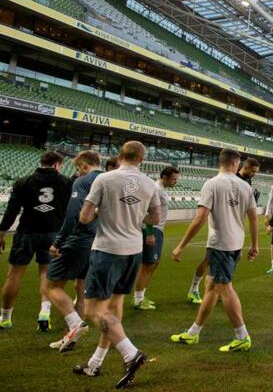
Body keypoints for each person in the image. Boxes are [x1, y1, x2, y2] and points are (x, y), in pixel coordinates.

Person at [73, 141, 159, 386]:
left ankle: (130, 353)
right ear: (142, 159)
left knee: (93, 310)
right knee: (114, 305)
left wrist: (105, 211)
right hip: (134, 251)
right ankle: (95, 363)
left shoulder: (105, 179)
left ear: (120, 155)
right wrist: (134, 214)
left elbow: (85, 216)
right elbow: (155, 217)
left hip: (108, 249)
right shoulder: (148, 183)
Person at [170, 149, 259, 353]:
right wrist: (254, 245)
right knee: (211, 287)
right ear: (236, 164)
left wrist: (181, 245)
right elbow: (253, 217)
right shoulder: (245, 187)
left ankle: (242, 336)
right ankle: (193, 332)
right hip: (235, 244)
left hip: (220, 244)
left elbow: (200, 218)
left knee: (224, 288)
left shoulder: (212, 184)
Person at [0, 150, 71, 331]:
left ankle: (5, 317)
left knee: (14, 275)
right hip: (53, 234)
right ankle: (44, 313)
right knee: (46, 274)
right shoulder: (65, 182)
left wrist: (1, 232)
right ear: (57, 164)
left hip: (27, 232)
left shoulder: (23, 181)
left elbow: (12, 211)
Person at [46, 151, 102, 352]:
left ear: (85, 165)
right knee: (81, 290)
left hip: (79, 239)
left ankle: (75, 324)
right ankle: (70, 337)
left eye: (78, 168)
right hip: (98, 242)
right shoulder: (107, 179)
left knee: (51, 285)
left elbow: (73, 215)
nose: (77, 172)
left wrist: (59, 241)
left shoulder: (83, 181)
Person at [185, 158, 259, 305]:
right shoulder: (229, 180)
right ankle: (194, 289)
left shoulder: (247, 183)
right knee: (208, 260)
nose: (254, 174)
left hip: (235, 229)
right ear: (244, 167)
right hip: (220, 229)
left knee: (235, 258)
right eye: (253, 171)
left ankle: (219, 287)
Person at [132, 166, 180, 310]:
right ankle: (138, 299)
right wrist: (150, 232)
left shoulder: (161, 189)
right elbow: (148, 211)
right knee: (148, 264)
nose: (175, 182)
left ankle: (141, 296)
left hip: (159, 229)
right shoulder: (156, 189)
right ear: (164, 177)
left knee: (154, 263)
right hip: (152, 230)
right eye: (173, 179)